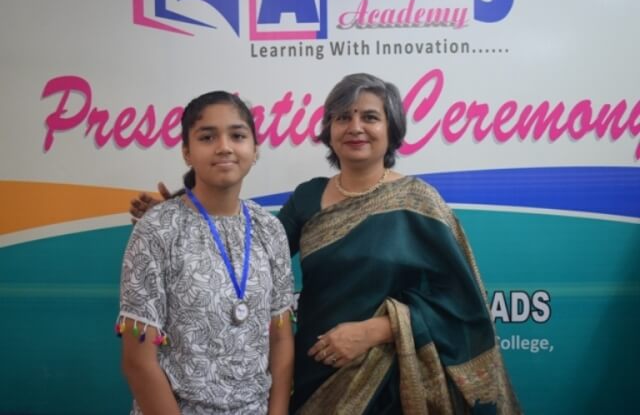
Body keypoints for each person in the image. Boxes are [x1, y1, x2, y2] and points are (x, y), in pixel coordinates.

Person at [131, 74, 521, 414]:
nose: (355, 127)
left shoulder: (420, 202)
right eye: (342, 117)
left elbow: (463, 303)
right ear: (329, 130)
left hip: (394, 383)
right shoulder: (307, 198)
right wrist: (185, 214)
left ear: (392, 129)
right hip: (315, 374)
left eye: (370, 117)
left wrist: (379, 330)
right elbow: (245, 254)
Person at [118, 91, 294, 415]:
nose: (224, 147)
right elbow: (138, 362)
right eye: (207, 137)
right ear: (187, 152)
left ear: (255, 149)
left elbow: (281, 339)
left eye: (237, 136)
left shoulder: (269, 229)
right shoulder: (157, 229)